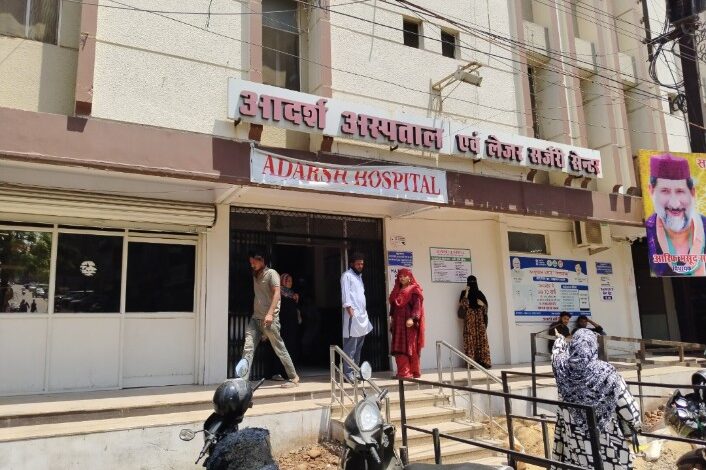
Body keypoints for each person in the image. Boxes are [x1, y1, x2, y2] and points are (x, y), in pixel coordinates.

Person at [551, 328, 641, 469]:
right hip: (606, 440)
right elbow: (627, 407)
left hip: (574, 439)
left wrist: (560, 340)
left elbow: (556, 355)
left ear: (573, 345)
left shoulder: (562, 369)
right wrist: (635, 423)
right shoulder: (607, 372)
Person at [238, 250, 299, 388]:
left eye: (254, 262)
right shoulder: (255, 275)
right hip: (255, 319)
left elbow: (277, 294)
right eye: (250, 262)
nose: (252, 265)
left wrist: (270, 314)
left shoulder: (272, 274)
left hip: (269, 319)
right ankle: (242, 380)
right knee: (248, 348)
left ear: (262, 260)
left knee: (279, 348)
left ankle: (293, 377)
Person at [645, 153, 706, 276]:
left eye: (680, 191)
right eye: (665, 191)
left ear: (692, 193)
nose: (674, 203)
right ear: (651, 191)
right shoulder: (648, 231)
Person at [340, 252, 373, 382]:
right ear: (352, 264)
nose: (360, 266)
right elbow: (346, 294)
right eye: (358, 264)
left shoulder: (359, 277)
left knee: (358, 347)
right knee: (351, 346)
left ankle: (355, 371)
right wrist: (349, 308)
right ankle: (347, 373)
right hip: (352, 316)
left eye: (362, 264)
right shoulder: (347, 276)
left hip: (362, 316)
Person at [389, 268, 425, 379]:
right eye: (400, 276)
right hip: (398, 324)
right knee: (398, 347)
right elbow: (393, 306)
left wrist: (413, 319)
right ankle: (402, 372)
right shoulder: (397, 290)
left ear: (410, 277)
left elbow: (417, 306)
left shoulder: (414, 290)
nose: (402, 278)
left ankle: (411, 372)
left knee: (409, 347)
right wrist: (391, 318)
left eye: (404, 276)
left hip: (408, 324)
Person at [458, 275, 491, 369]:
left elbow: (485, 308)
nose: (472, 284)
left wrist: (482, 304)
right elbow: (463, 306)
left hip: (479, 319)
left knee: (481, 339)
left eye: (473, 282)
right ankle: (471, 362)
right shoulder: (464, 293)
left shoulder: (479, 293)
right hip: (469, 319)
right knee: (469, 339)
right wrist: (466, 292)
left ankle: (483, 361)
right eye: (470, 282)